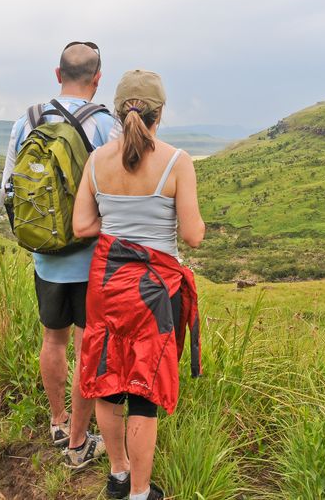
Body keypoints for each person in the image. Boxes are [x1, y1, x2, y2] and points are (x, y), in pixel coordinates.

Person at [72, 70, 205, 500]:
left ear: (118, 111)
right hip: (155, 291)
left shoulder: (97, 162)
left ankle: (118, 474)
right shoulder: (177, 161)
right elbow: (193, 235)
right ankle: (140, 492)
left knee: (108, 381)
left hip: (106, 284)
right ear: (159, 114)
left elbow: (81, 225)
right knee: (143, 391)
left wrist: (117, 228)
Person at [0, 41, 115, 469]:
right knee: (87, 348)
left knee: (53, 339)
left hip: (44, 256)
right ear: (97, 78)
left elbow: (7, 191)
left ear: (57, 74)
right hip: (91, 259)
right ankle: (79, 444)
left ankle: (57, 422)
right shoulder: (106, 125)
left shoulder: (27, 121)